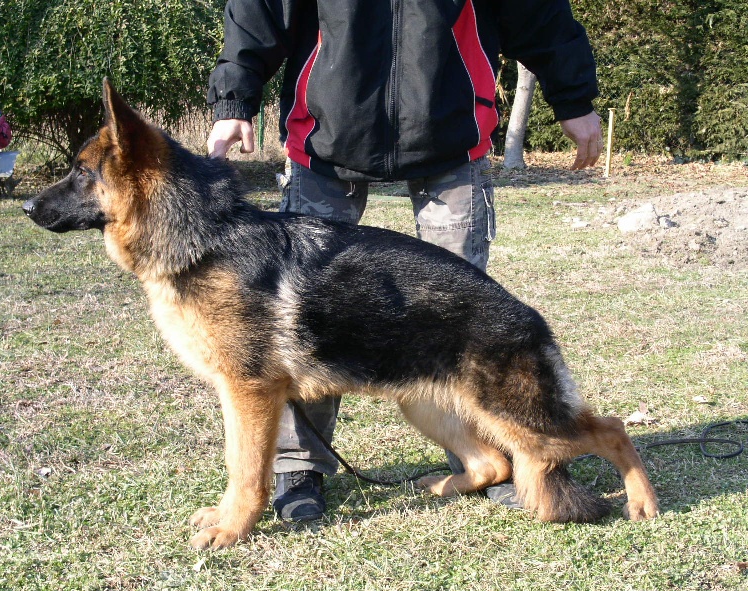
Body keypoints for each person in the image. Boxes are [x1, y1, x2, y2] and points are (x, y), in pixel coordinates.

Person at [206, 0, 603, 522]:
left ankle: (487, 458)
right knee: (304, 320)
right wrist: (234, 99)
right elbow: (259, 9)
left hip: (451, 132)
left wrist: (573, 98)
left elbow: (537, 12)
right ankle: (298, 466)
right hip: (326, 136)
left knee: (468, 320)